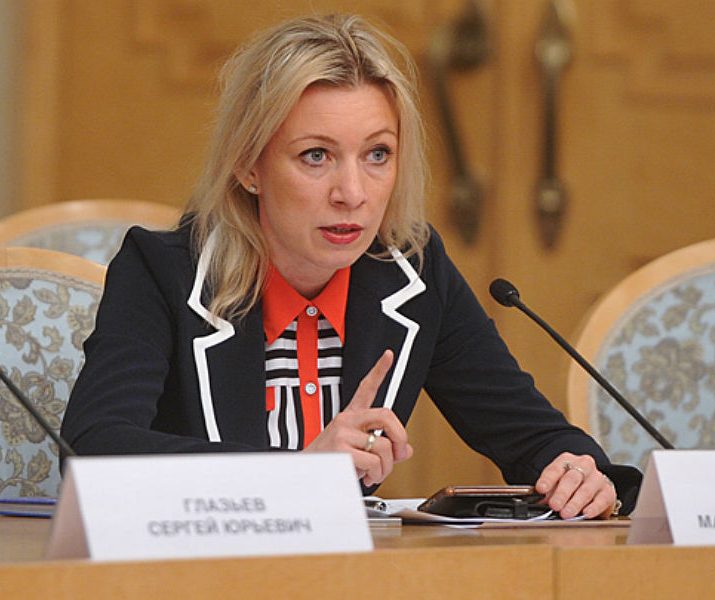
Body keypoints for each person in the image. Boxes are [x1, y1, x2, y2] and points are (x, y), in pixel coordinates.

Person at [61, 14, 640, 518]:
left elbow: (530, 434)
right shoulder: (164, 273)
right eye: (316, 156)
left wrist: (578, 472)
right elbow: (94, 450)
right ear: (248, 166)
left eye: (377, 154)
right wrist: (296, 473)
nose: (353, 193)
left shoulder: (411, 274)